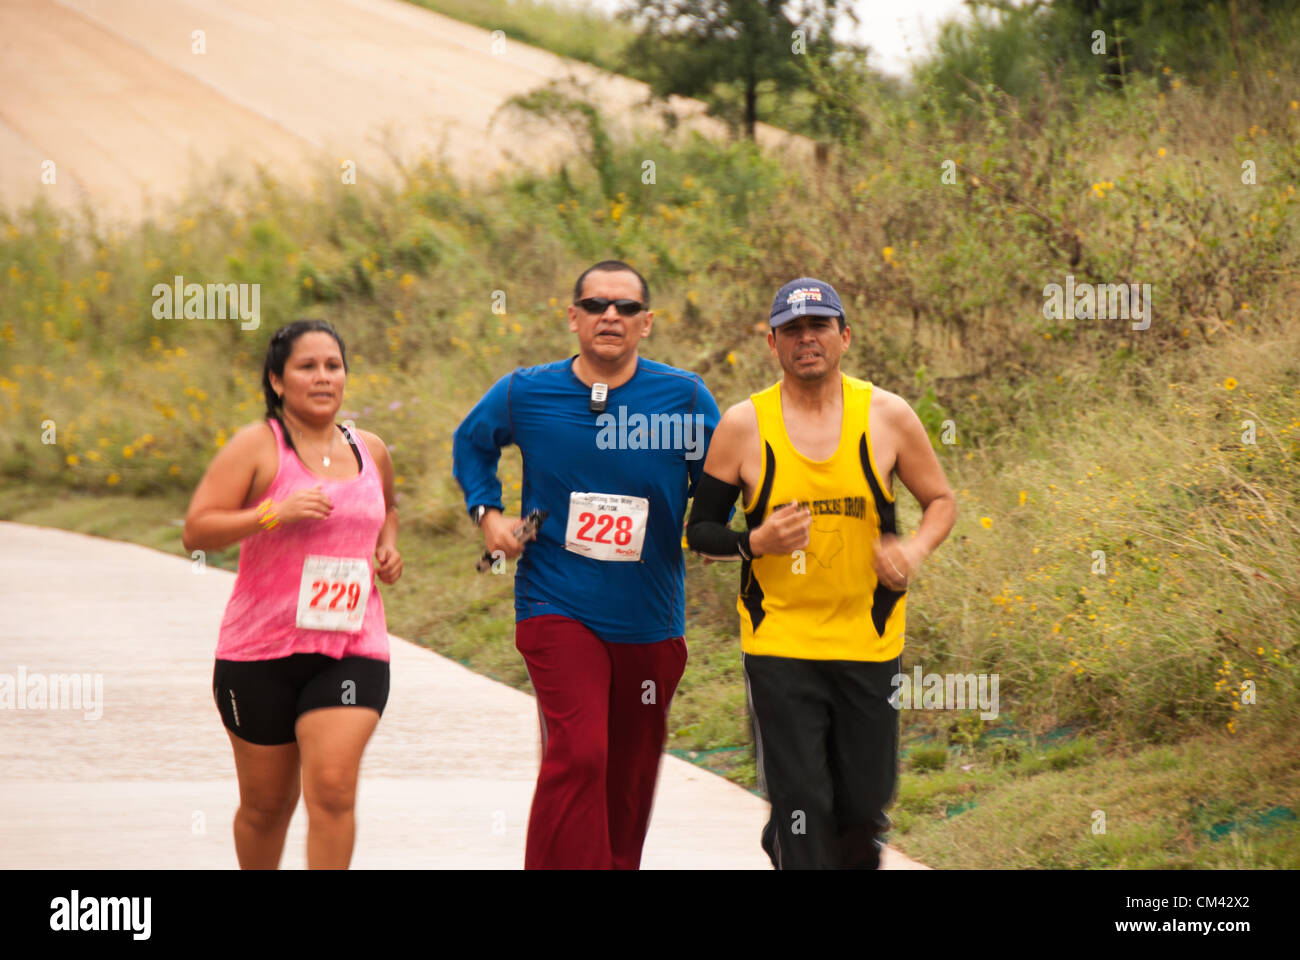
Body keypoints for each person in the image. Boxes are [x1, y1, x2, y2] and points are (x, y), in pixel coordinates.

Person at [453, 260, 721, 869]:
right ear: (572, 317)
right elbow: (472, 442)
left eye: (626, 308)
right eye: (596, 305)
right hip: (557, 605)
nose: (611, 316)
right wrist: (488, 515)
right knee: (580, 754)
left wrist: (722, 527)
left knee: (629, 773)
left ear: (646, 323)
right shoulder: (525, 391)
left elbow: (724, 476)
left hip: (650, 616)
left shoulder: (683, 397)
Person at [686, 277, 956, 869]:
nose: (806, 339)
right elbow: (699, 530)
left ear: (844, 337)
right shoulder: (743, 425)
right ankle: (793, 839)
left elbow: (941, 502)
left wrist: (912, 550)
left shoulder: (887, 416)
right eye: (792, 331)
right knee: (802, 799)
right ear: (772, 343)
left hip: (869, 639)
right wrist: (755, 541)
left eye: (818, 327)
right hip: (780, 641)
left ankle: (791, 843)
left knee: (864, 806)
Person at [182, 319, 402, 869]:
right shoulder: (258, 446)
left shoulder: (369, 448)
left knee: (331, 788)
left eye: (333, 366)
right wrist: (271, 514)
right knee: (266, 807)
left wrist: (387, 548)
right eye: (307, 367)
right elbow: (198, 530)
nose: (323, 377)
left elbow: (389, 508)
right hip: (260, 653)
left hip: (352, 647)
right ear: (278, 381)